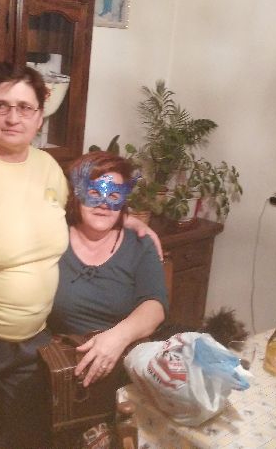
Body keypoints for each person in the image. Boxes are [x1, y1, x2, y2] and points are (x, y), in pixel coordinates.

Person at [0, 62, 159, 448]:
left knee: (22, 438)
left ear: (40, 116)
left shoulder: (46, 167)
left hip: (34, 340)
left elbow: (76, 213)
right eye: (1, 106)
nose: (13, 118)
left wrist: (128, 221)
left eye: (25, 107)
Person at [48, 151, 168, 388]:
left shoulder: (139, 244)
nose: (104, 203)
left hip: (123, 367)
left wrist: (117, 337)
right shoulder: (53, 234)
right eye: (94, 193)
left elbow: (155, 306)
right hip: (60, 366)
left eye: (114, 195)